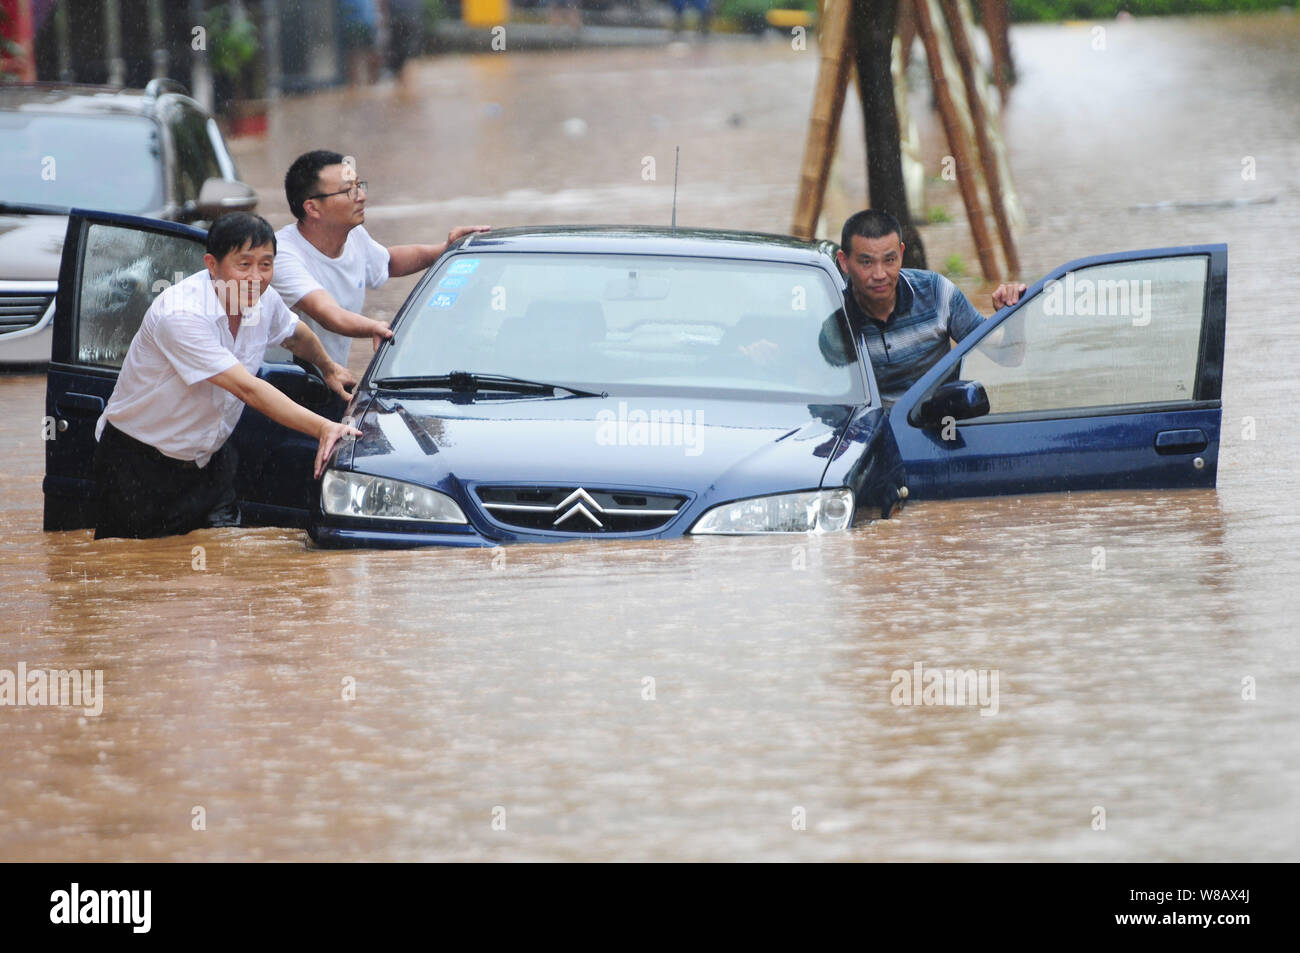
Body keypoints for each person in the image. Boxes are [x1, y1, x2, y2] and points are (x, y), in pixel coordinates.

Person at [92, 213, 361, 540]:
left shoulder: (263, 299)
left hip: (210, 463)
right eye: (243, 264)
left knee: (225, 562)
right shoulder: (180, 314)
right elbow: (247, 389)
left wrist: (329, 368)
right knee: (137, 574)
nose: (256, 277)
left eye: (266, 264)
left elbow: (293, 334)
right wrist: (322, 427)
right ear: (212, 264)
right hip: (139, 467)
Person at [271, 150, 489, 386]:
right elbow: (328, 314)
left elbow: (388, 262)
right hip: (279, 381)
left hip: (325, 379)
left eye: (359, 185)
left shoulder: (354, 237)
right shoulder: (281, 254)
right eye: (348, 191)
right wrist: (374, 327)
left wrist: (447, 248)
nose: (361, 196)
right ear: (312, 208)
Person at [818, 209, 1025, 405]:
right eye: (866, 263)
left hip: (939, 429)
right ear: (844, 262)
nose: (880, 274)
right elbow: (827, 402)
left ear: (901, 253)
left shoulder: (936, 293)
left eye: (889, 260)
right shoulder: (835, 323)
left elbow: (1009, 356)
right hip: (875, 436)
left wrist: (1013, 312)